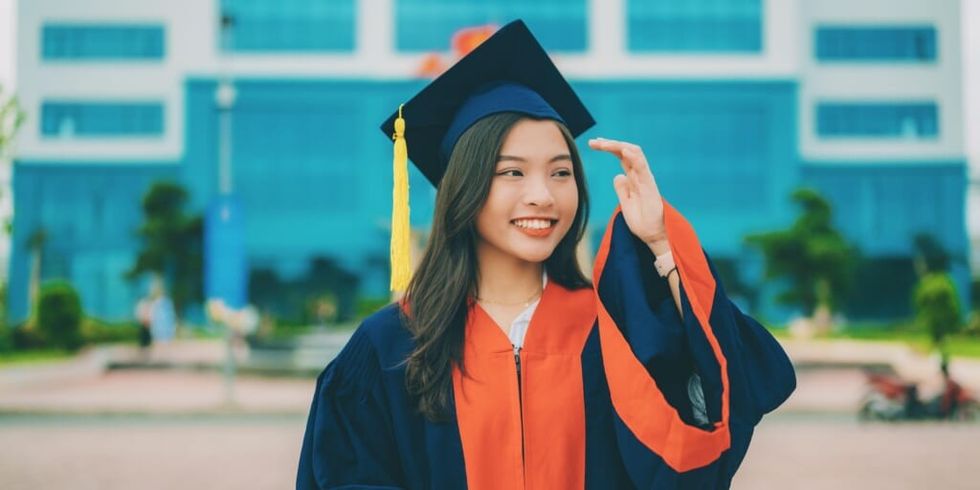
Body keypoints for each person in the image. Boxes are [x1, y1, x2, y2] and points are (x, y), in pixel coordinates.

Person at [297, 20, 796, 490]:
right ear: (462, 191)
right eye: (511, 172)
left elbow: (725, 400)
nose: (543, 195)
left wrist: (662, 244)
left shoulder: (611, 333)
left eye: (560, 173)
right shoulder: (392, 346)